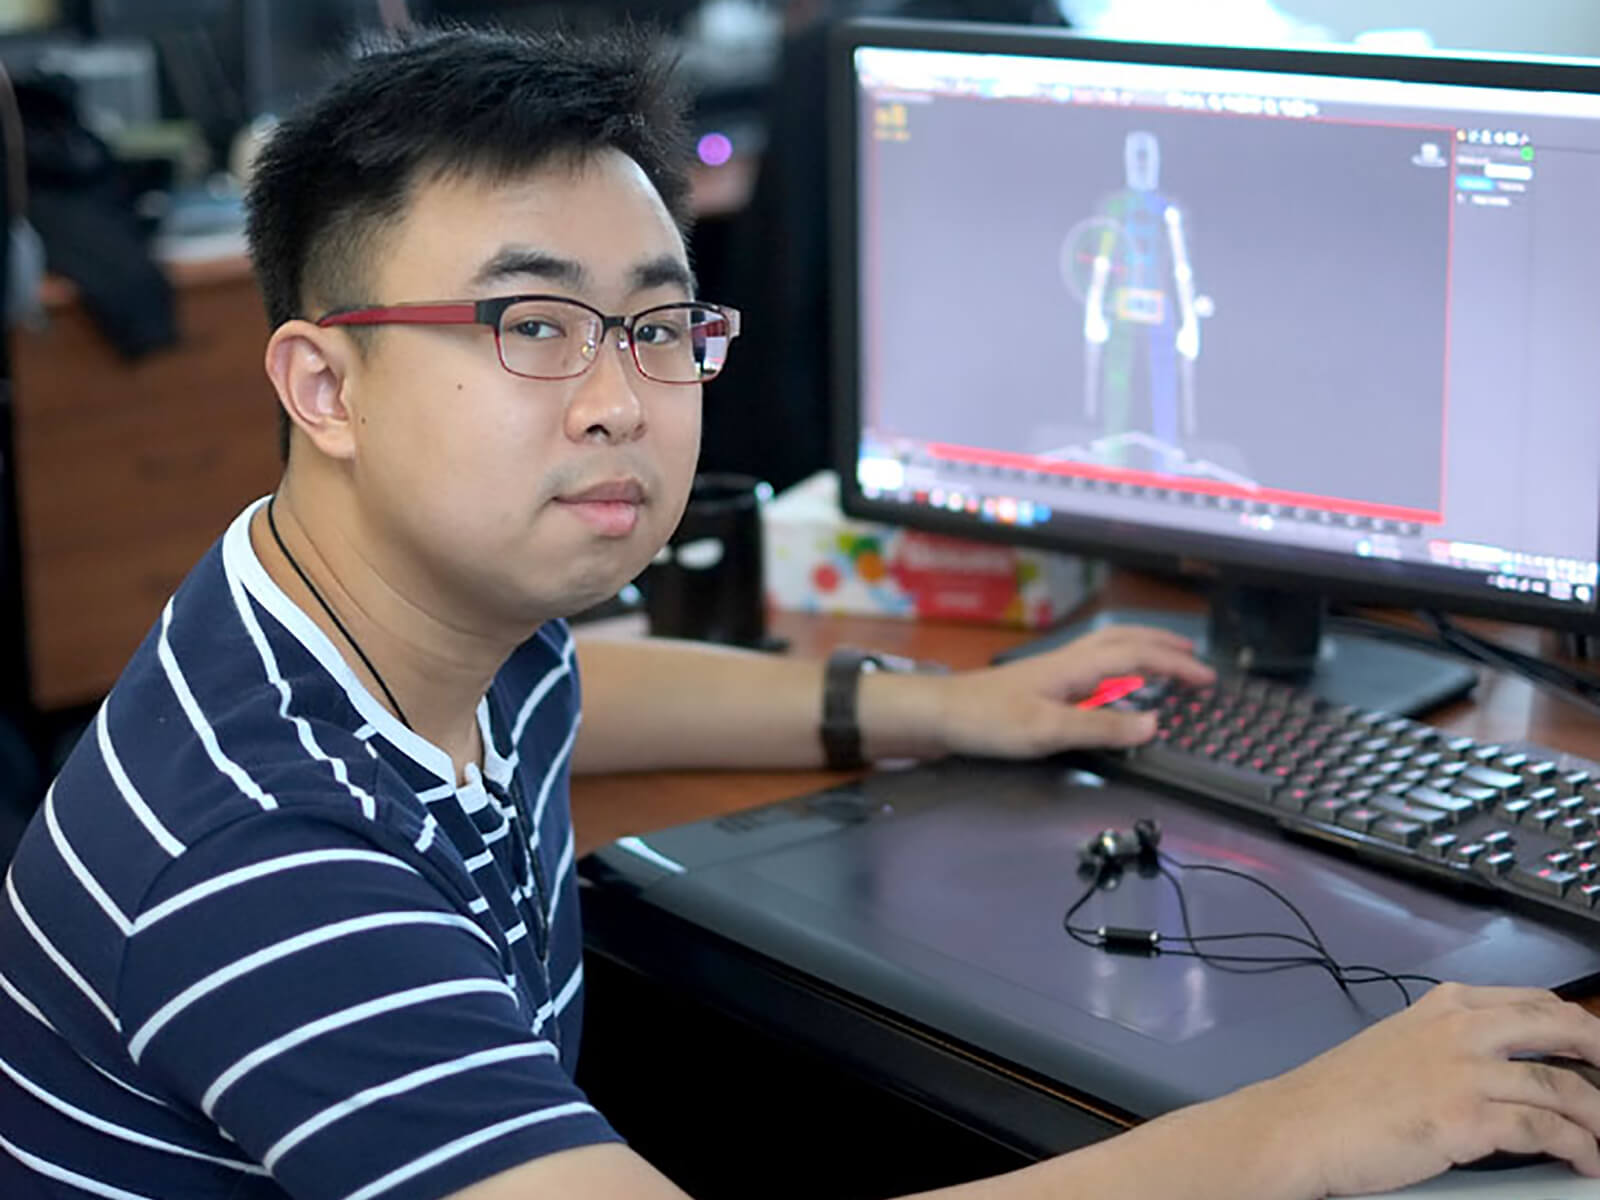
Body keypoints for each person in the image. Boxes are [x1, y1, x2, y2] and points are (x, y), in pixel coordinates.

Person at [2, 24, 1598, 1200]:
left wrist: (927, 704)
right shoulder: (264, 861)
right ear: (324, 381)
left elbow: (577, 695)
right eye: (531, 324)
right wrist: (1302, 1132)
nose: (623, 398)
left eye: (656, 323)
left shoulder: (362, 616)